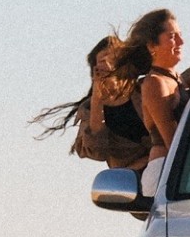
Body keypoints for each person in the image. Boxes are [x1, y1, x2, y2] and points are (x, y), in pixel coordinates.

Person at [111, 9, 190, 195]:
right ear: (152, 45)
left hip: (181, 172)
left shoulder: (176, 80)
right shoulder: (154, 83)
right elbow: (173, 141)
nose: (181, 42)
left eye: (180, 36)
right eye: (172, 37)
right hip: (165, 172)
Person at [31, 35, 148, 169]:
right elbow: (96, 151)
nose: (107, 64)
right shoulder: (89, 110)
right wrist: (97, 99)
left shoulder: (145, 90)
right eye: (102, 60)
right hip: (129, 180)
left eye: (113, 58)